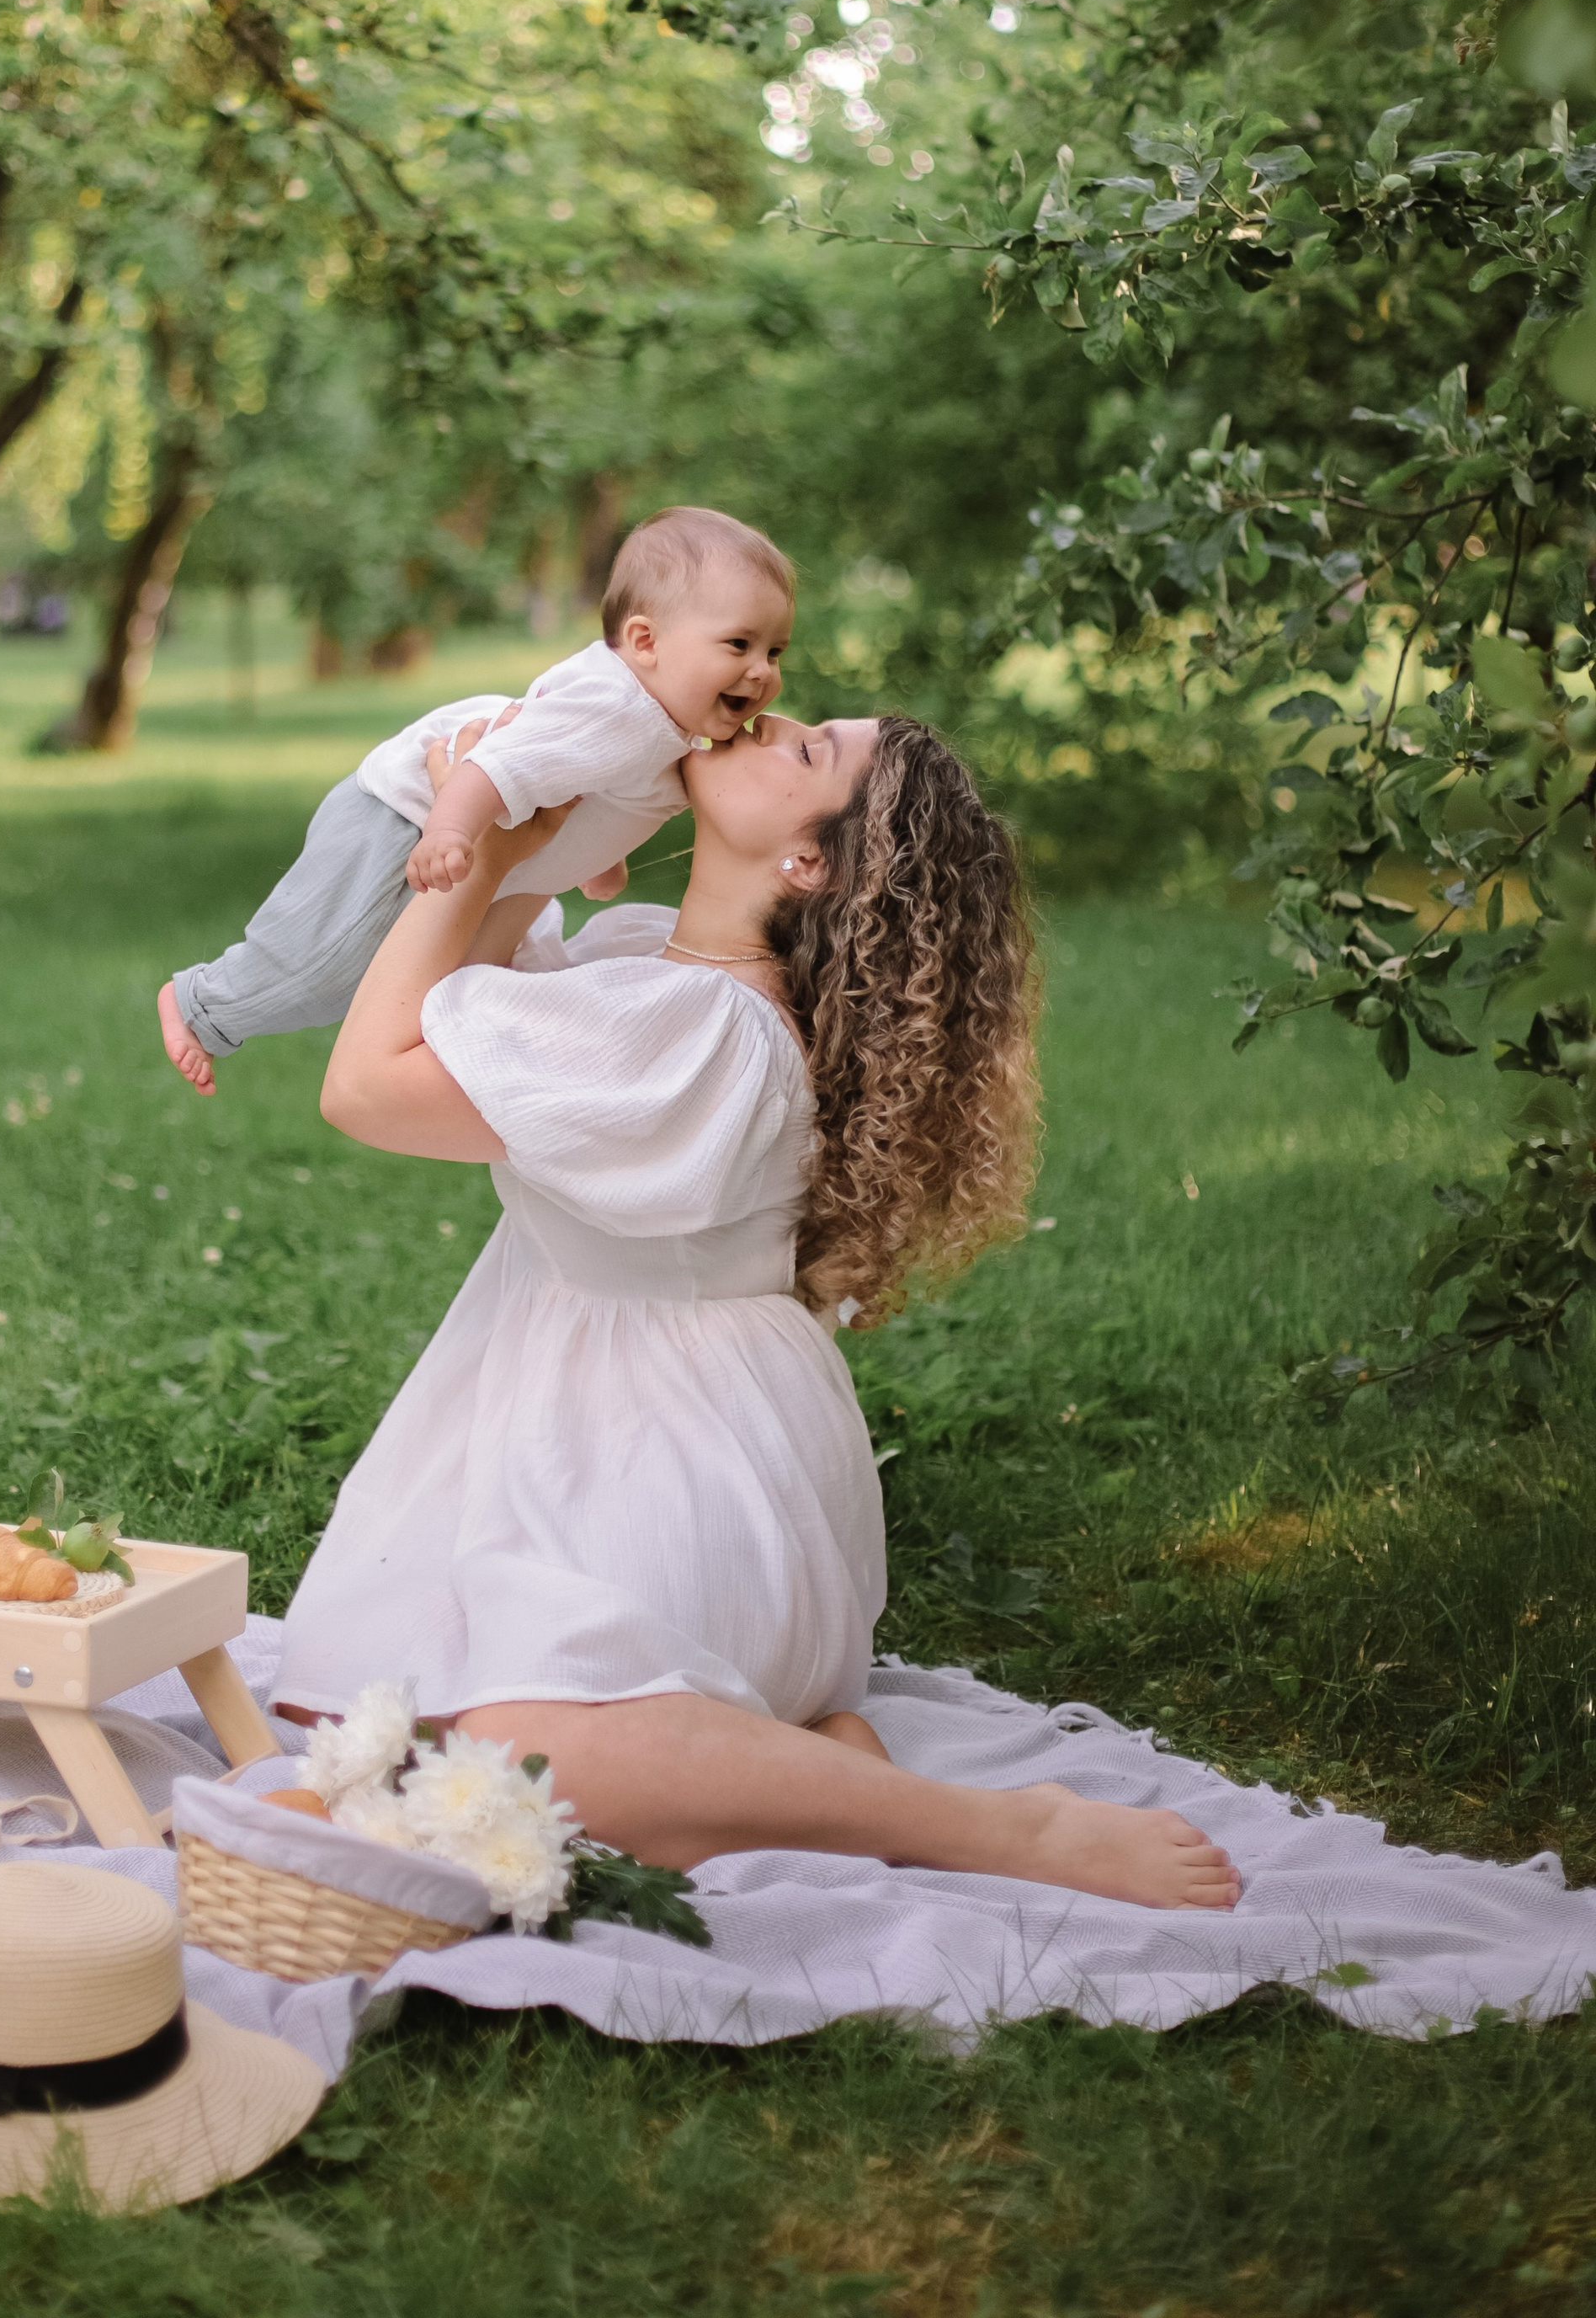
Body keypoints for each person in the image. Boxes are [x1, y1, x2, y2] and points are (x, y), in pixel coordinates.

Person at [274, 706, 1241, 1913]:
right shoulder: (658, 976)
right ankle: (797, 1749)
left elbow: (370, 1084)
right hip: (602, 1423)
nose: (765, 712)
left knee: (513, 1759)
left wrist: (466, 867)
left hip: (670, 1458)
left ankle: (996, 1827)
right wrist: (523, 843)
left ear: (807, 865)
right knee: (366, 1732)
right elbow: (470, 997)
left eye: (805, 749)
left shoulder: (702, 1037)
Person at [157, 506, 795, 1095]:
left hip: (467, 837)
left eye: (774, 651)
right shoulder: (621, 707)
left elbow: (598, 789)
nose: (762, 670)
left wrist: (603, 861)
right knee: (326, 966)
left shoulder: (668, 724)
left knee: (422, 984)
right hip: (405, 817)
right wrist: (449, 830)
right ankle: (199, 1004)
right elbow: (499, 763)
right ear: (646, 640)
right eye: (739, 645)